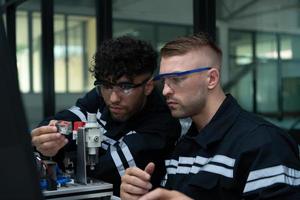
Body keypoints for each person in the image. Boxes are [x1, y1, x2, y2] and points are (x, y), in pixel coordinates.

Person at [120, 33, 300, 200]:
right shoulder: (183, 145)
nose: (166, 90)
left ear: (212, 79)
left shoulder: (264, 143)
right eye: (164, 81)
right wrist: (140, 194)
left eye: (176, 78)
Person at [31, 36, 181, 196]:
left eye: (126, 87)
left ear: (148, 86)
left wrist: (60, 152)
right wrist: (47, 138)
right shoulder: (101, 96)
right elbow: (58, 123)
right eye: (107, 85)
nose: (114, 99)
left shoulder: (162, 123)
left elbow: (100, 173)